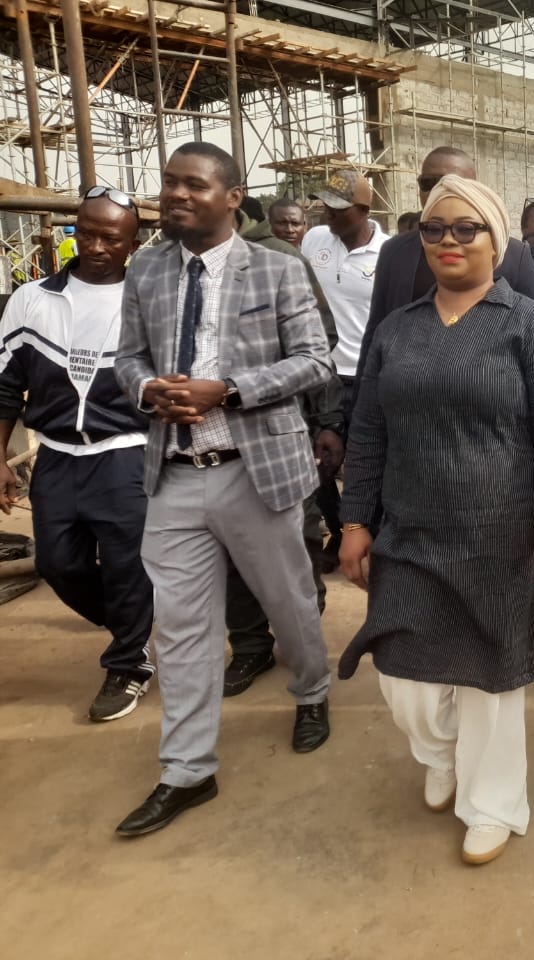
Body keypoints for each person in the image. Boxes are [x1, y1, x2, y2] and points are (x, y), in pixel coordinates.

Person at [336, 175, 534, 865]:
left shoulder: (526, 324)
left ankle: (491, 804)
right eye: (434, 229)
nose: (448, 241)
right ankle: (441, 753)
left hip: (500, 536)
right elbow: (367, 431)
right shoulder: (398, 329)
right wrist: (355, 521)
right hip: (410, 531)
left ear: (496, 241)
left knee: (491, 680)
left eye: (466, 228)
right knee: (404, 682)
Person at [113, 142, 335, 837]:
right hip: (174, 473)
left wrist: (230, 390)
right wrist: (148, 390)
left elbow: (315, 361)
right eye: (169, 183)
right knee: (180, 629)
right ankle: (187, 770)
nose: (176, 195)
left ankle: (312, 689)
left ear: (233, 197)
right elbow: (128, 357)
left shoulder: (277, 268)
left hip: (256, 470)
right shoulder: (147, 268)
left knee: (288, 602)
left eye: (194, 185)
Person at [0, 186, 155, 721]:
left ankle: (129, 663)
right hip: (57, 456)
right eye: (86, 234)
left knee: (127, 565)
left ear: (132, 244)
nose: (95, 246)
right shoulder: (32, 300)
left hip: (125, 453)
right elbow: (5, 385)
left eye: (110, 238)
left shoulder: (149, 305)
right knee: (58, 564)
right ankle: (131, 628)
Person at [221, 199, 347, 696]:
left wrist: (327, 421)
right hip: (214, 441)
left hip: (282, 429)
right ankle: (250, 646)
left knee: (296, 541)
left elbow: (320, 341)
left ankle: (305, 645)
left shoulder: (279, 258)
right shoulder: (172, 265)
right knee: (231, 551)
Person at [360, 146, 534, 405]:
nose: (440, 190)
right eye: (429, 183)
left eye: (454, 183)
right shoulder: (394, 251)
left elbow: (532, 339)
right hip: (405, 399)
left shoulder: (515, 255)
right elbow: (375, 330)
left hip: (486, 400)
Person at [301, 171, 388, 571]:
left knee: (364, 462)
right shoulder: (315, 240)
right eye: (325, 206)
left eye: (338, 208)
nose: (328, 215)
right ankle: (337, 527)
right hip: (321, 374)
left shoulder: (386, 254)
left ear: (364, 210)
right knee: (318, 462)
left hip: (365, 374)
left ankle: (365, 532)